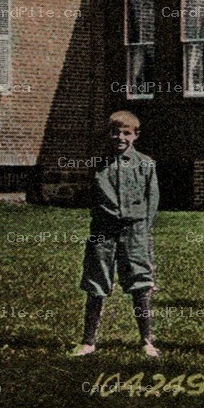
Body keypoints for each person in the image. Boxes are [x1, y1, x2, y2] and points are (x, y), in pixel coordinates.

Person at [73, 111, 160, 357]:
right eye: (115, 133)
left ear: (136, 135)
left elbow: (152, 200)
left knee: (141, 283)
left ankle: (146, 341)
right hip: (103, 231)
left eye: (126, 133)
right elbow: (91, 197)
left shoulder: (146, 164)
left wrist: (142, 228)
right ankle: (88, 341)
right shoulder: (99, 163)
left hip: (135, 232)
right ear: (108, 134)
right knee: (96, 282)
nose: (120, 138)